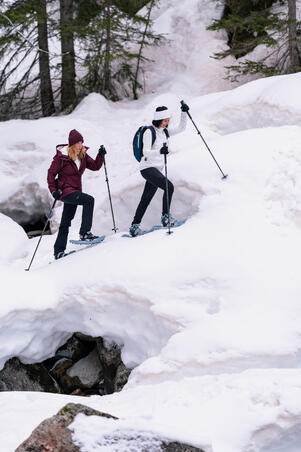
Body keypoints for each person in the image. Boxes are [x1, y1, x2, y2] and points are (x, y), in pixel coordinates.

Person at [129, 101, 189, 237]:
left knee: (146, 198)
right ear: (158, 119)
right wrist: (160, 151)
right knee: (169, 186)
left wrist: (184, 113)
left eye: (168, 120)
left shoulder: (164, 132)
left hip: (156, 169)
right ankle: (166, 218)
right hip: (147, 168)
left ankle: (134, 226)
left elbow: (181, 128)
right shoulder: (149, 132)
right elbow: (145, 151)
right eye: (164, 120)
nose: (167, 123)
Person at [47, 129, 106, 259]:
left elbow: (95, 166)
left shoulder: (82, 155)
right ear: (71, 144)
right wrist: (53, 191)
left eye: (81, 142)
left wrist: (100, 155)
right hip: (65, 191)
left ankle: (58, 251)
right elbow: (51, 174)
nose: (80, 145)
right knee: (89, 200)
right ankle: (85, 233)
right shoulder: (61, 158)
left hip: (75, 191)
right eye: (78, 143)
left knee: (65, 222)